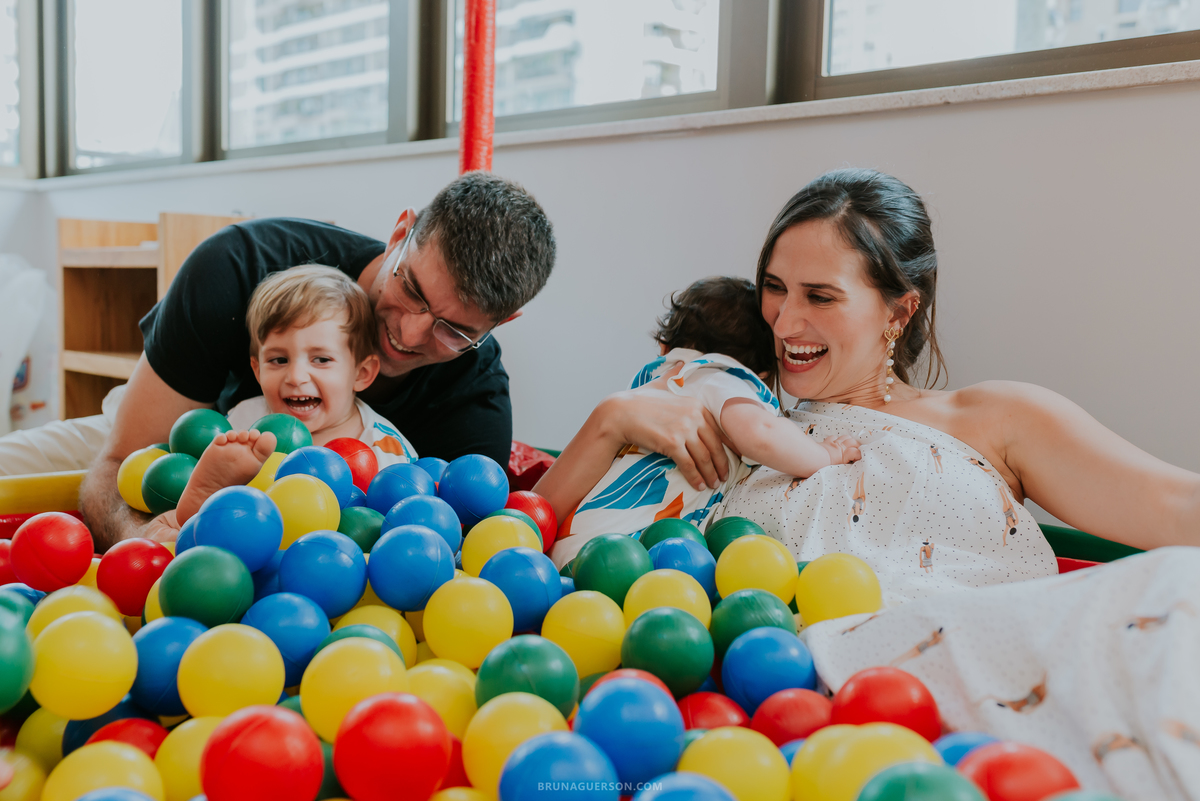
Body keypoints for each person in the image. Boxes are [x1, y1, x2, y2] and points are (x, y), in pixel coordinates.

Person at [535, 169, 1200, 796]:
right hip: (808, 685)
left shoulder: (992, 417)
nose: (785, 322)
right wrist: (611, 417)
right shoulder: (738, 421)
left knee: (1179, 589)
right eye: (774, 287)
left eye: (820, 296)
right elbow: (544, 528)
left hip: (989, 652)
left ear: (899, 310)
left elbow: (1175, 506)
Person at [63, 171, 554, 551]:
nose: (408, 334)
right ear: (400, 232)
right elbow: (118, 462)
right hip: (166, 417)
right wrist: (151, 547)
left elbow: (445, 549)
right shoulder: (240, 269)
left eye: (454, 331)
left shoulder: (474, 400)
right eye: (410, 289)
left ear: (500, 324)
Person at [550, 276, 861, 567]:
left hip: (571, 544)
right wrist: (825, 454)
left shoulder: (652, 384)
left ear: (664, 348)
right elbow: (761, 432)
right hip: (625, 551)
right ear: (763, 374)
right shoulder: (717, 376)